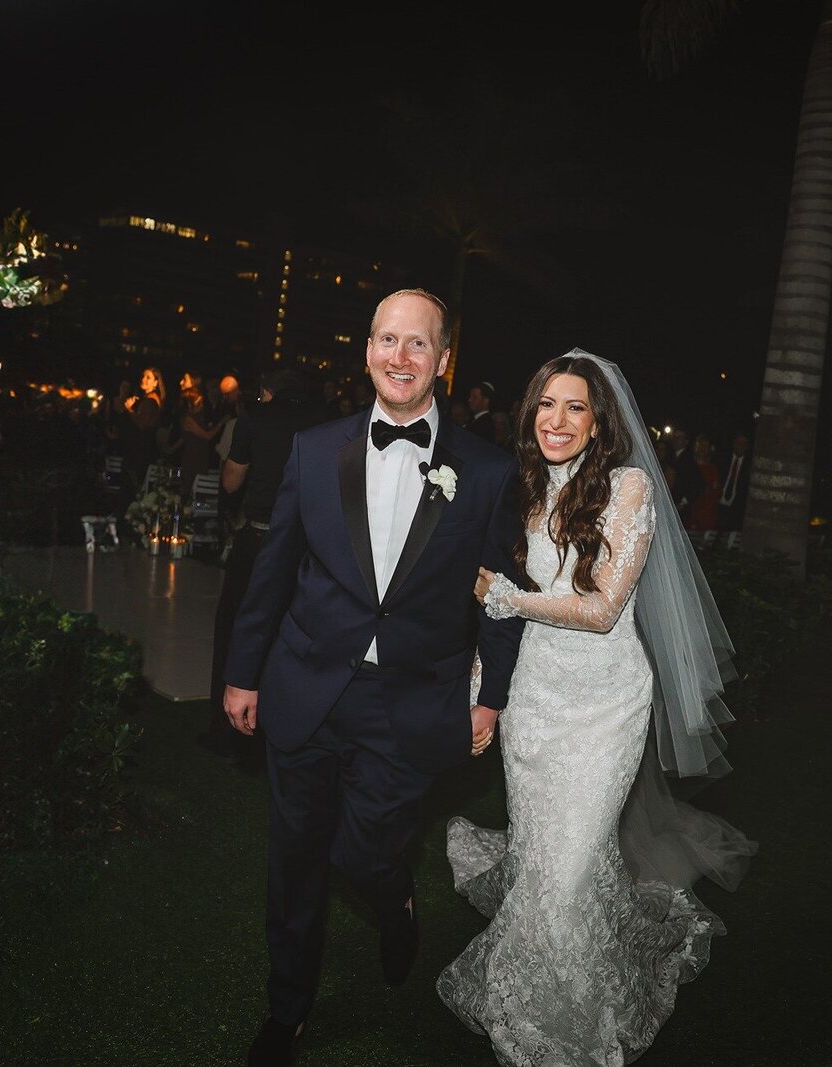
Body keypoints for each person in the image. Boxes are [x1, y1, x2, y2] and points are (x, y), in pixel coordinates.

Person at [221, 289, 525, 1066]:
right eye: (386, 340)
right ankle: (285, 1011)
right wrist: (243, 672)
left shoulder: (486, 470)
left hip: (413, 698)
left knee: (364, 853)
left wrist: (490, 696)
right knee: (293, 862)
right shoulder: (315, 448)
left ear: (444, 361)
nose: (399, 356)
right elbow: (274, 568)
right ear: (366, 350)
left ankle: (394, 899)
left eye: (417, 344)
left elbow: (498, 592)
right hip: (307, 687)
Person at [439, 349, 755, 1066]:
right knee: (542, 852)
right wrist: (481, 696)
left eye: (574, 406)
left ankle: (572, 1016)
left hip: (606, 701)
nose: (557, 420)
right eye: (546, 405)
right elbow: (500, 619)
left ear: (598, 420)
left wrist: (506, 595)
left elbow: (606, 605)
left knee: (574, 857)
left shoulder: (629, 485)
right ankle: (532, 995)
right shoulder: (516, 485)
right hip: (534, 698)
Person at [203, 364, 325, 750]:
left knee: (236, 630)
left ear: (267, 390)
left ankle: (228, 730)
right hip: (312, 551)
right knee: (294, 640)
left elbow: (231, 480)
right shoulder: (329, 421)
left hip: (261, 541)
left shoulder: (256, 416)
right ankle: (286, 727)